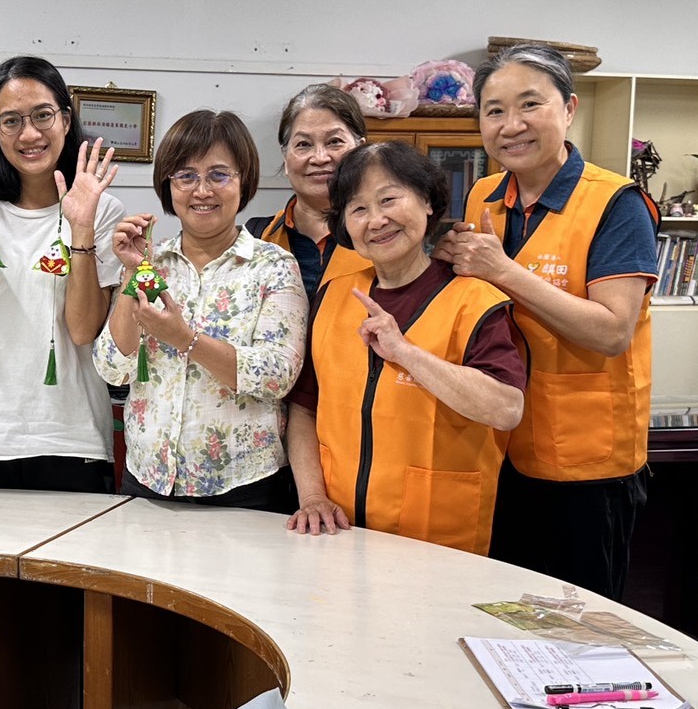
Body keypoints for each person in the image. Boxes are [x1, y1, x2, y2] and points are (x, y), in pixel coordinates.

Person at [432, 44, 658, 597]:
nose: (511, 125)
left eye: (530, 104)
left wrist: (502, 270)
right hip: (498, 448)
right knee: (501, 615)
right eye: (494, 110)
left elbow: (612, 331)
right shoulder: (484, 195)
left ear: (569, 108)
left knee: (576, 627)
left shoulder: (615, 204)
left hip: (585, 465)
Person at [286, 142, 525, 554]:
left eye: (389, 199)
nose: (376, 220)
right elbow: (304, 407)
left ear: (427, 202)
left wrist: (406, 352)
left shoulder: (474, 300)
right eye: (358, 209)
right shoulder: (333, 296)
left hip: (439, 535)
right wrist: (312, 497)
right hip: (338, 530)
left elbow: (506, 409)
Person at [0, 56, 124, 491]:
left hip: (71, 437)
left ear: (65, 119)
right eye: (11, 121)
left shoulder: (101, 210)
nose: (29, 134)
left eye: (42, 115)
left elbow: (83, 330)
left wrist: (82, 228)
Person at [94, 110, 306, 510]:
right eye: (186, 176)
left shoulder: (274, 266)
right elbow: (112, 367)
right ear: (168, 185)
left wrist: (184, 339)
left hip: (244, 485)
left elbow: (277, 375)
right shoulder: (152, 263)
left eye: (219, 175)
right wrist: (132, 271)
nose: (202, 190)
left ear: (244, 180)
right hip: (148, 478)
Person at [245, 83, 370, 298]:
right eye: (303, 144)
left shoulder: (384, 234)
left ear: (361, 151)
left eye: (334, 142)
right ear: (286, 159)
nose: (320, 158)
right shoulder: (254, 238)